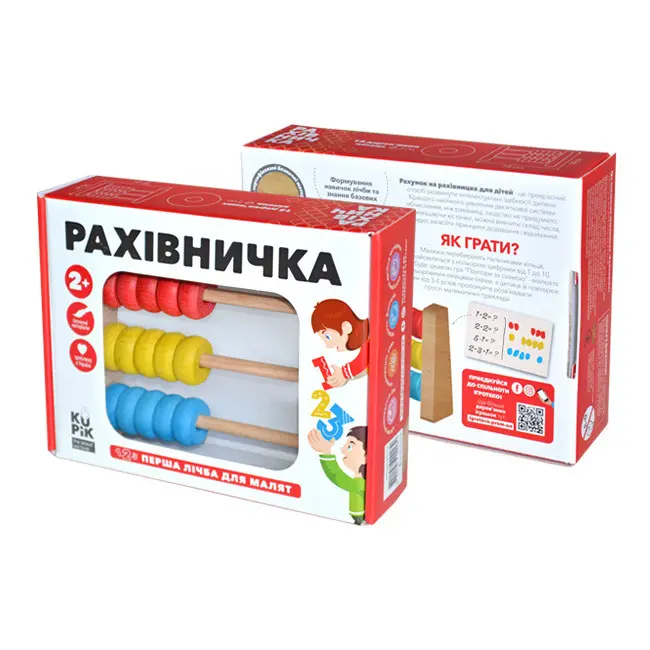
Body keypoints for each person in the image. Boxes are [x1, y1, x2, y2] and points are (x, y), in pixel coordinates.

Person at [308, 426, 367, 524]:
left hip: (359, 519)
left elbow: (336, 475)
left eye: (350, 447)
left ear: (366, 457)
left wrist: (326, 451)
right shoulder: (361, 482)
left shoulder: (359, 484)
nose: (342, 450)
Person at [311, 299, 369, 388]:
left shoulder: (369, 337)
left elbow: (363, 360)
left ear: (346, 327)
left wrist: (344, 373)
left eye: (327, 337)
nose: (327, 345)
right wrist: (346, 376)